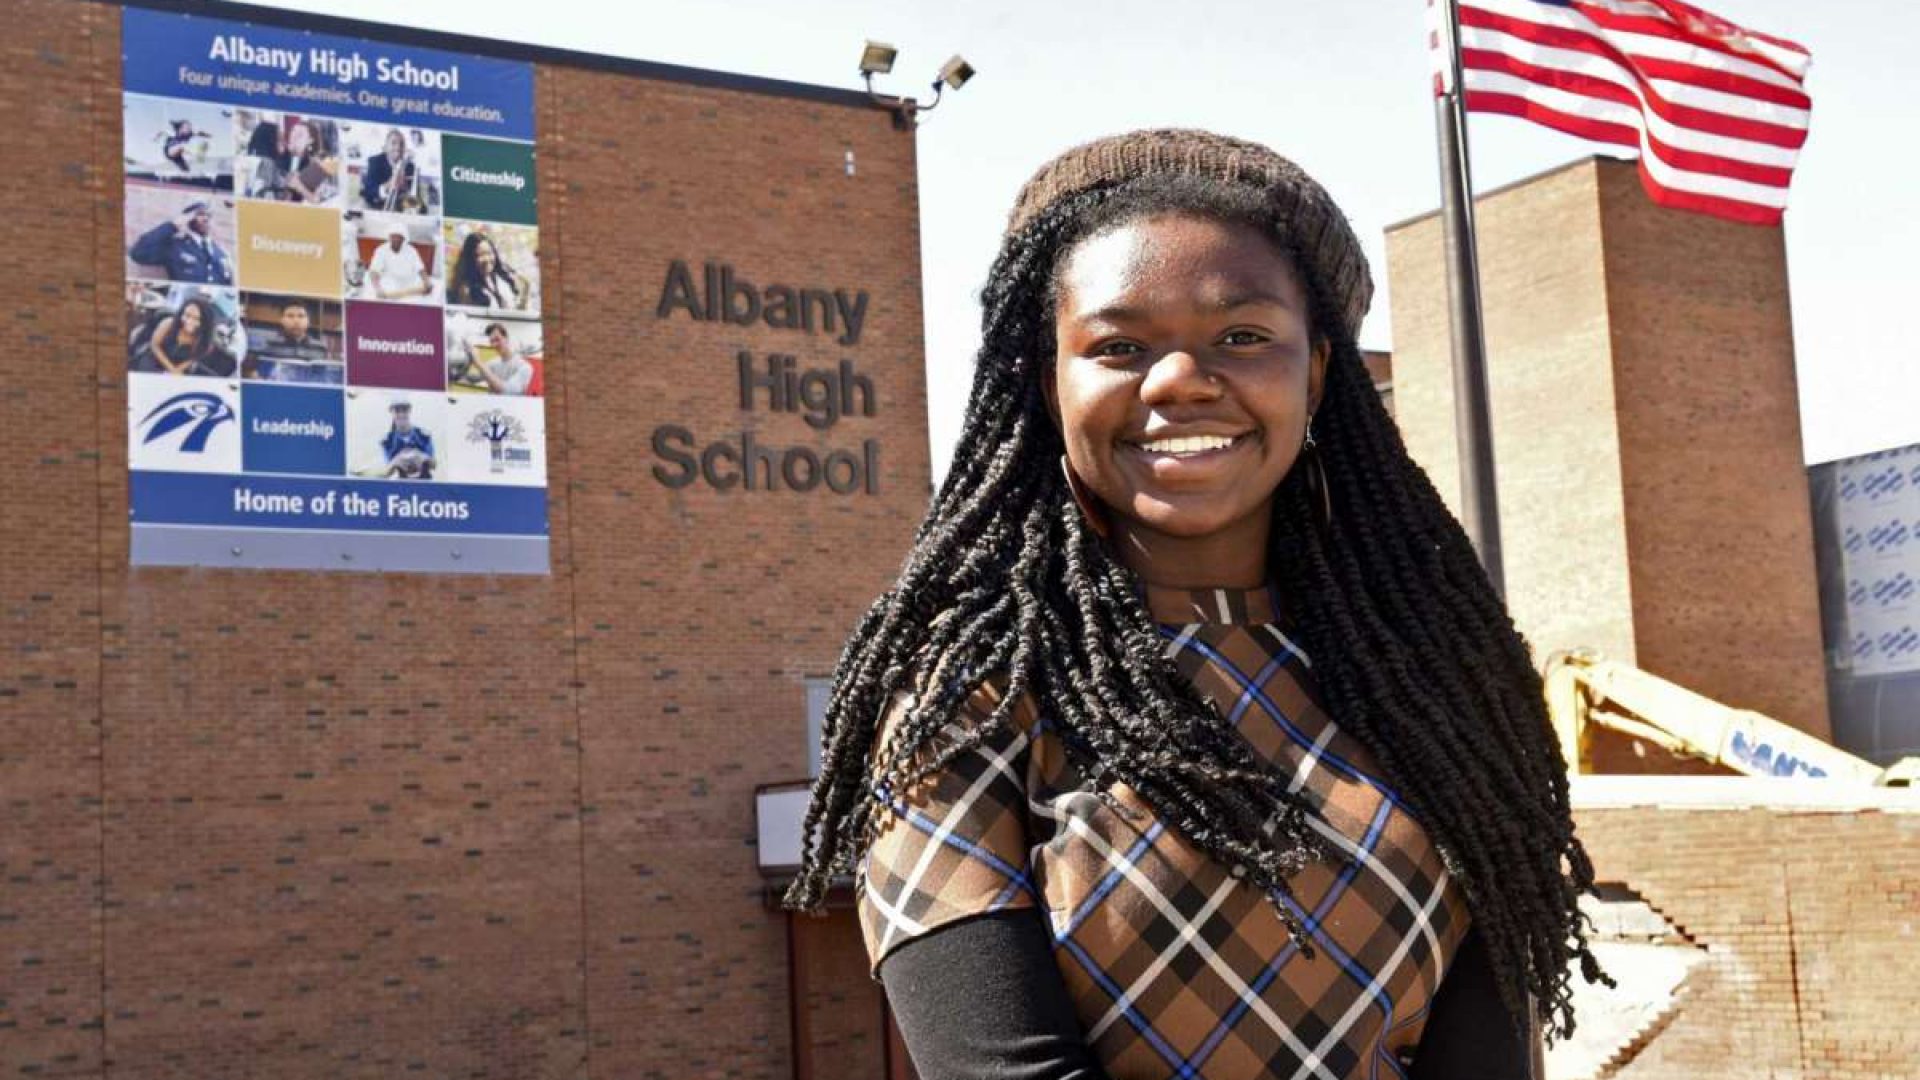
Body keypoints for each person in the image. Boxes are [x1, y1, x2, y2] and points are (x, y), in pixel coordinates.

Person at [786, 131, 1605, 1080]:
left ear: (1318, 374)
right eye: (1120, 345)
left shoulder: (1437, 686)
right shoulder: (965, 694)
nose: (1180, 380)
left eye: (1243, 337)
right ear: (1050, 385)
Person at [128, 201, 233, 285]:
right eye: (200, 214)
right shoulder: (175, 246)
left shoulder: (220, 253)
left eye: (209, 216)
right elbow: (137, 253)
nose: (206, 219)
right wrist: (173, 226)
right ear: (187, 219)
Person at [245, 299, 335, 383]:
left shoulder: (320, 348)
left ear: (308, 321)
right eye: (290, 316)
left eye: (301, 316)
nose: (296, 321)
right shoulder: (268, 345)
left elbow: (321, 378)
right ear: (282, 320)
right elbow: (252, 373)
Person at [131, 295, 223, 376]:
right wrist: (171, 369)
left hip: (178, 364)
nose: (189, 321)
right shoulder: (169, 323)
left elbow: (192, 359)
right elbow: (154, 345)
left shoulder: (205, 341)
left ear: (205, 322)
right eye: (187, 315)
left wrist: (176, 371)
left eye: (196, 319)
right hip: (155, 357)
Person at [447, 231, 529, 310]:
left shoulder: (501, 280)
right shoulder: (466, 290)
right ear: (470, 259)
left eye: (489, 253)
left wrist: (525, 291)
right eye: (480, 255)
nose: (487, 259)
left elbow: (514, 314)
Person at [458, 322, 535, 396]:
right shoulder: (492, 363)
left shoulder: (524, 367)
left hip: (512, 408)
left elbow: (506, 391)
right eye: (492, 341)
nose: (494, 344)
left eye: (497, 339)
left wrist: (478, 362)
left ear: (506, 338)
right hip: (492, 407)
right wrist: (468, 359)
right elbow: (470, 378)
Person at [359, 127, 420, 212]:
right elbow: (368, 191)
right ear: (386, 146)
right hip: (375, 208)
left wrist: (405, 189)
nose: (398, 147)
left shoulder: (410, 167)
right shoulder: (375, 161)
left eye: (401, 144)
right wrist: (387, 186)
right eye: (393, 143)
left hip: (398, 212)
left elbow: (416, 199)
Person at [367, 224, 432, 302]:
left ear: (403, 239)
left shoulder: (412, 251)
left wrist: (426, 281)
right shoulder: (381, 250)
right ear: (389, 237)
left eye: (399, 237)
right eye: (393, 236)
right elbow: (374, 271)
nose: (396, 239)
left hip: (409, 283)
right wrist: (378, 288)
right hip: (389, 283)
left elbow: (420, 269)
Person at [378, 400, 435, 479]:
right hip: (402, 484)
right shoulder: (387, 441)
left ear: (409, 411)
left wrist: (420, 456)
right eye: (397, 411)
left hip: (425, 482)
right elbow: (386, 472)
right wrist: (397, 460)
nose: (401, 415)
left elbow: (434, 466)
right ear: (391, 413)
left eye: (404, 410)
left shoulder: (424, 435)